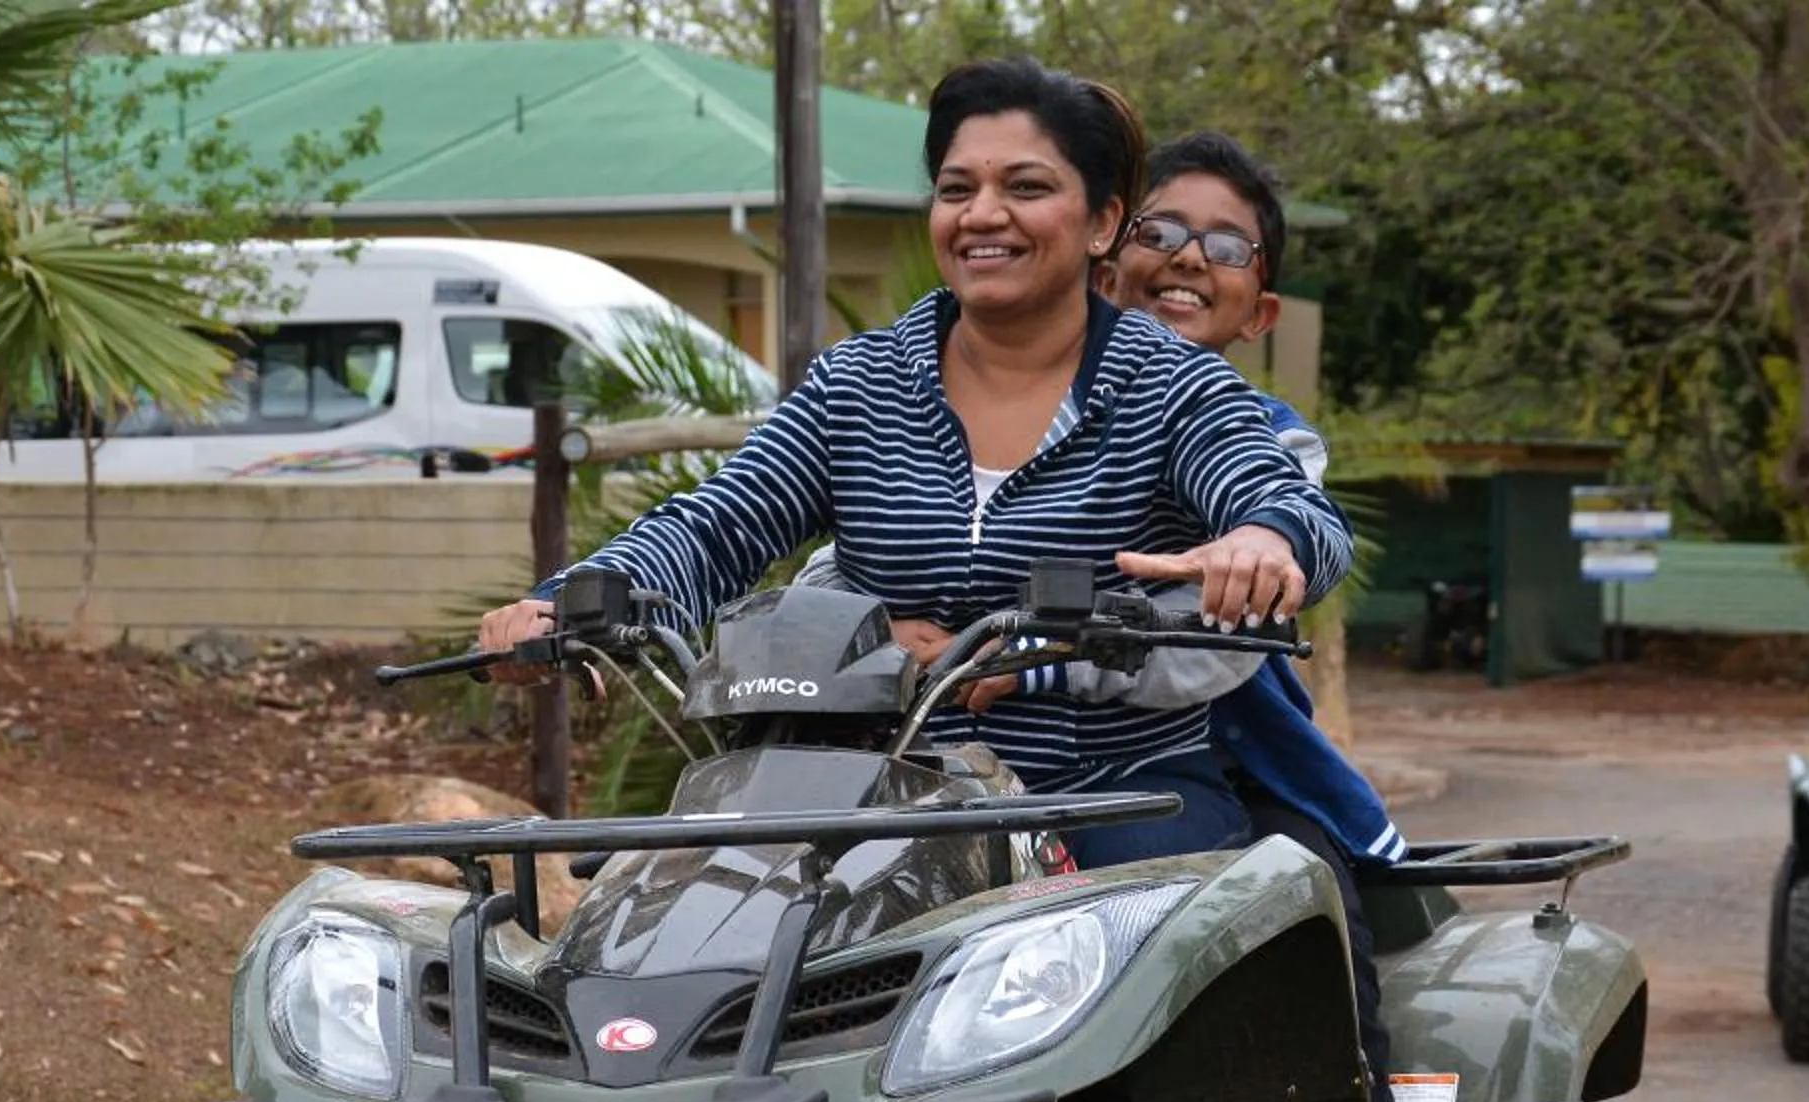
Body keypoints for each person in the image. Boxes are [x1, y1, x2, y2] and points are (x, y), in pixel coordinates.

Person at [475, 56, 1343, 871]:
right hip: (869, 798)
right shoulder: (861, 382)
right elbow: (717, 529)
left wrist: (1266, 538)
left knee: (1164, 993)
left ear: (1104, 222)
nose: (983, 213)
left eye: (1027, 187)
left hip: (1111, 804)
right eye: (957, 189)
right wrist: (567, 603)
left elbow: (1291, 509)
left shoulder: (1171, 382)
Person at [1103, 131, 1496, 1102]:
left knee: (1301, 920)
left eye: (1223, 246)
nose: (1184, 261)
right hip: (993, 771)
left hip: (1220, 763)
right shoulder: (998, 417)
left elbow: (1288, 515)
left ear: (1257, 305)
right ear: (1106, 250)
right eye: (1161, 230)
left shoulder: (1259, 432)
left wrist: (1258, 545)